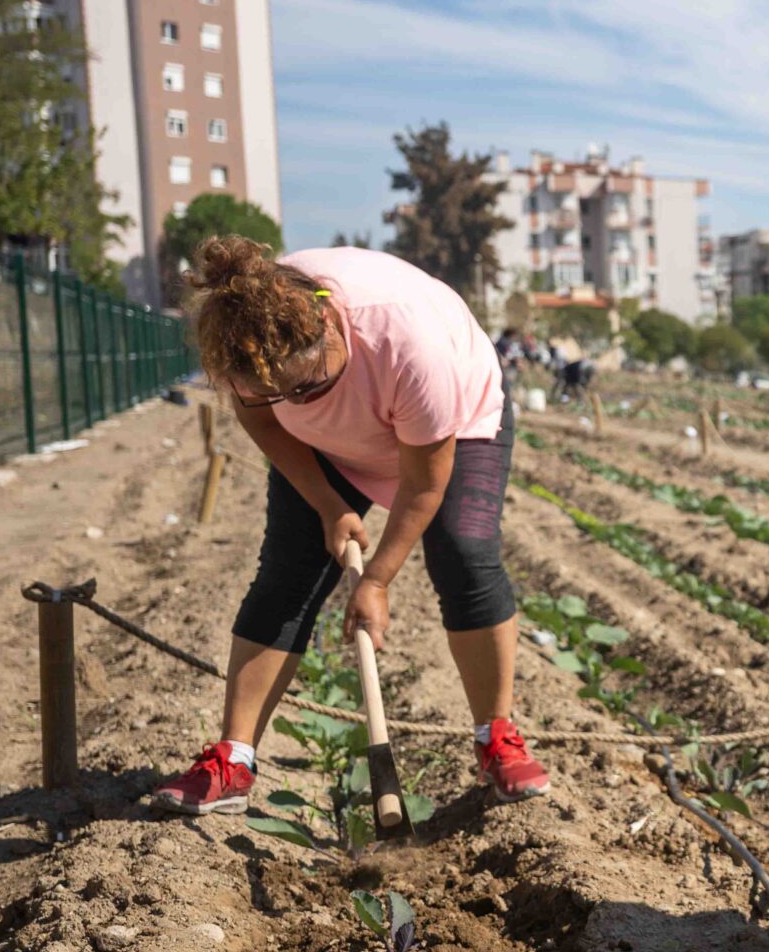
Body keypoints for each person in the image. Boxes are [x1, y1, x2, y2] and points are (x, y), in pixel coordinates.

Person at [152, 238, 550, 815]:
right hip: (331, 450)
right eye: (279, 391)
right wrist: (326, 502)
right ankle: (233, 759)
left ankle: (498, 738)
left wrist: (377, 581)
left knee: (463, 554)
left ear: (328, 324)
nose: (297, 399)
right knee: (288, 575)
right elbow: (262, 419)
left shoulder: (411, 345)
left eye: (309, 385)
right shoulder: (252, 351)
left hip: (456, 425)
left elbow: (423, 485)